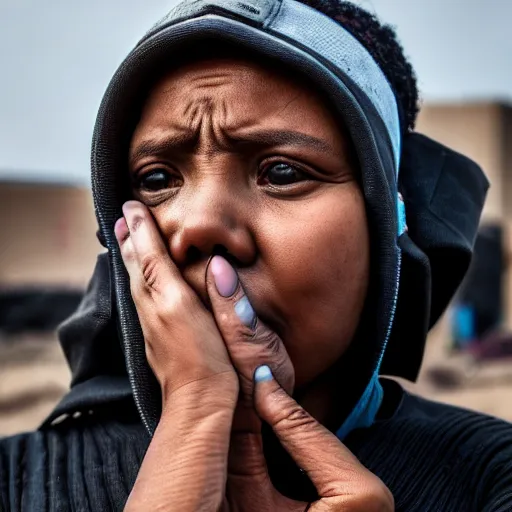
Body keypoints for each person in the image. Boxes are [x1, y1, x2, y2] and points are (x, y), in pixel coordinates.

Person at [1, 0, 511, 510]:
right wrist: (194, 411)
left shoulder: (490, 474)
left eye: (283, 173)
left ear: (386, 222)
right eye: (157, 180)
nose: (197, 225)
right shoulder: (16, 481)